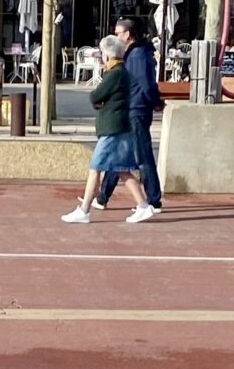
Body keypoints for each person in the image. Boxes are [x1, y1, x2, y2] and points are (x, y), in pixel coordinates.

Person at [62, 35, 143, 225]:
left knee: (95, 168)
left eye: (102, 54)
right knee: (122, 170)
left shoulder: (115, 74)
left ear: (107, 55)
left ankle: (84, 210)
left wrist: (100, 101)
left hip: (112, 129)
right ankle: (143, 205)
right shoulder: (122, 72)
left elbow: (95, 95)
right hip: (118, 127)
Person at [95, 14, 163, 225]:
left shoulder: (138, 55)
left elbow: (146, 84)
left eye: (118, 33)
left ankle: (153, 201)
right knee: (119, 154)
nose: (116, 37)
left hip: (136, 110)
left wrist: (154, 101)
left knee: (141, 156)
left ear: (128, 34)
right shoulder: (134, 54)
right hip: (131, 109)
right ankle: (102, 197)